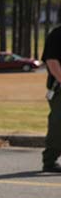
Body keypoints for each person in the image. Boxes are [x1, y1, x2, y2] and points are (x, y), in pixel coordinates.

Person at [41, 25, 61, 173]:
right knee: (58, 125)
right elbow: (52, 61)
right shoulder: (57, 34)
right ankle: (50, 161)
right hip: (60, 89)